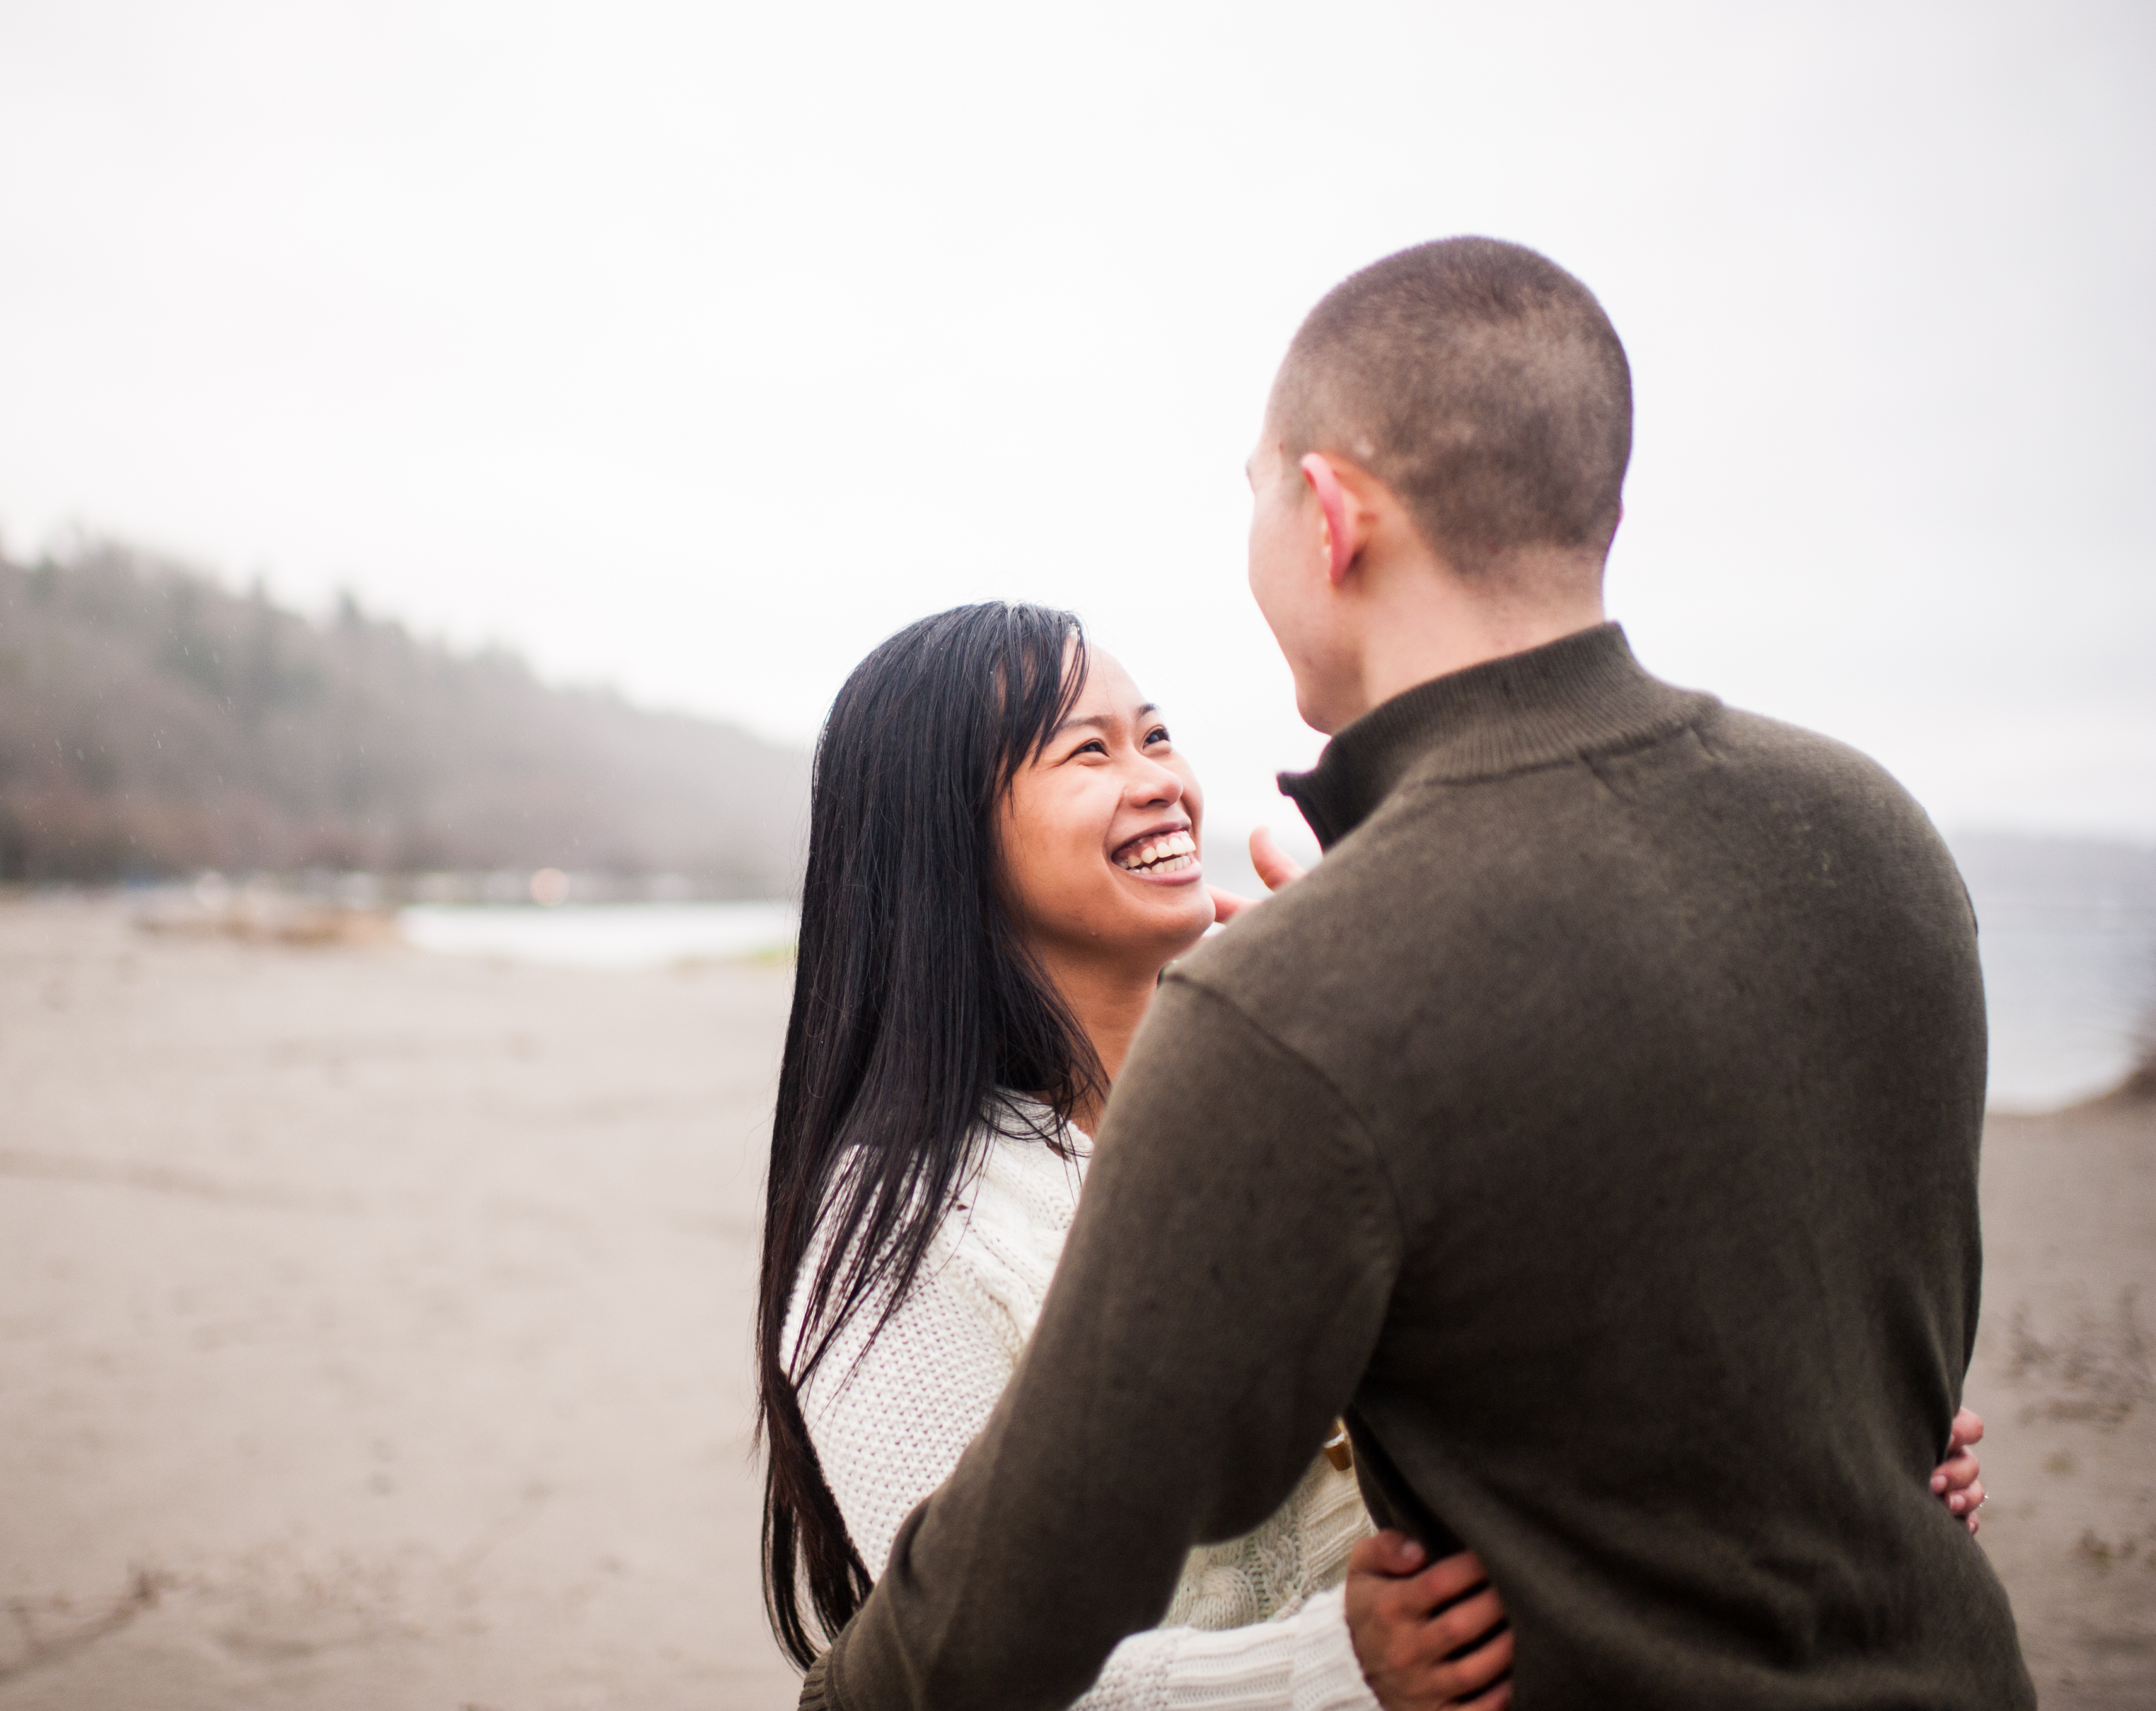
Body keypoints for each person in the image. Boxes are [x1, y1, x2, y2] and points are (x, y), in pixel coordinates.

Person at [794, 239, 2029, 1710]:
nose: (1158, 776)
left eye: (1151, 730)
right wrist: (1864, 1466)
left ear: (1326, 517)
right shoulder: (1879, 831)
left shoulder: (1296, 1009)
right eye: (1086, 746)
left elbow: (973, 1640)